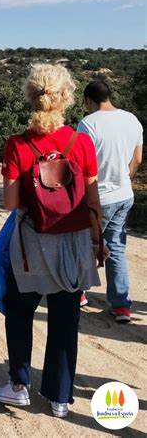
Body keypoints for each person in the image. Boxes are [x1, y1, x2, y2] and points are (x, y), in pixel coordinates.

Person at [0, 64, 102, 418]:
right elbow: (92, 199)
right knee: (65, 319)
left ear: (30, 96)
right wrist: (97, 240)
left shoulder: (17, 144)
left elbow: (10, 203)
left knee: (19, 311)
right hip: (72, 243)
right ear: (66, 98)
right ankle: (59, 398)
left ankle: (19, 385)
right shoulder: (82, 142)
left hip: (31, 244)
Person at [78, 81, 143, 322]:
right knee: (116, 247)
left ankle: (78, 293)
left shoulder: (88, 124)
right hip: (124, 195)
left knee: (86, 246)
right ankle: (121, 305)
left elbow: (80, 165)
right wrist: (125, 179)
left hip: (98, 197)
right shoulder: (132, 120)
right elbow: (137, 158)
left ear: (88, 100)